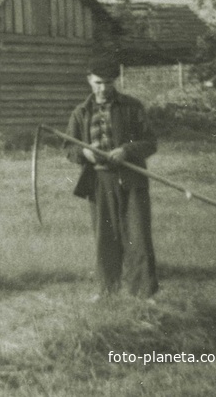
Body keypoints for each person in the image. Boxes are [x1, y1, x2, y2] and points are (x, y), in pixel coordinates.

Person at [65, 59, 158, 299]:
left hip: (131, 179)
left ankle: (144, 295)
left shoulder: (131, 107)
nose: (103, 88)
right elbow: (69, 148)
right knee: (105, 238)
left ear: (114, 82)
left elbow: (150, 142)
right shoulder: (81, 112)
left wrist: (126, 150)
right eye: (98, 83)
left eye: (108, 83)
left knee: (138, 236)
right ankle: (107, 292)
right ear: (89, 80)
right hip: (99, 181)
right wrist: (84, 153)